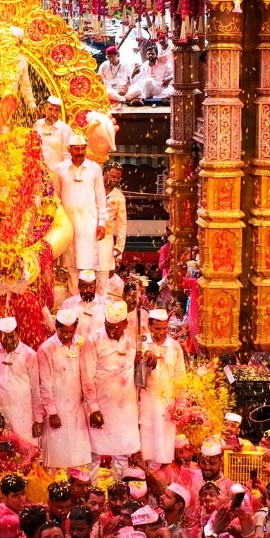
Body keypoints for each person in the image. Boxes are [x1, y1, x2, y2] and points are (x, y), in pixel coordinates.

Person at [35, 308, 100, 472]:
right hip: (57, 409)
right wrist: (51, 412)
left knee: (78, 457)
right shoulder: (46, 349)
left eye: (71, 332)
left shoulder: (81, 343)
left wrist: (92, 407)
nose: (66, 336)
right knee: (56, 458)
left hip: (78, 408)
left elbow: (87, 376)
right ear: (56, 326)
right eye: (63, 331)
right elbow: (45, 383)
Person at [86, 302, 138, 479]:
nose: (112, 332)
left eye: (116, 328)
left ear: (125, 324)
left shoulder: (132, 339)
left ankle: (120, 493)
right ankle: (90, 492)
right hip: (101, 406)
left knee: (122, 453)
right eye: (108, 327)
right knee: (93, 453)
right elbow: (86, 377)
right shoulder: (94, 341)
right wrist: (93, 408)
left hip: (125, 408)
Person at [53, 135, 107, 295]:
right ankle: (73, 304)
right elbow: (55, 196)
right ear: (69, 150)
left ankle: (89, 301)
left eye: (83, 148)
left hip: (89, 226)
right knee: (71, 267)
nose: (80, 152)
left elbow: (101, 197)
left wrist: (102, 222)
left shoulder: (95, 169)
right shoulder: (60, 168)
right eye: (76, 149)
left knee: (88, 267)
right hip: (68, 226)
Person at [138, 308, 185, 469]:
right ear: (150, 326)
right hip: (144, 401)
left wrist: (180, 404)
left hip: (166, 403)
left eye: (164, 328)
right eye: (157, 328)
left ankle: (160, 477)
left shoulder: (174, 346)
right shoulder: (141, 342)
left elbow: (180, 377)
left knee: (163, 443)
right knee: (145, 441)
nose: (162, 332)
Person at [0, 316, 40, 443]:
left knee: (26, 452)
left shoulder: (29, 354)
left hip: (24, 416)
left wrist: (38, 419)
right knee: (3, 455)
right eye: (4, 337)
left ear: (18, 333)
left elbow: (36, 388)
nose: (8, 341)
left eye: (11, 337)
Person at [96, 163, 127, 297]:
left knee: (103, 275)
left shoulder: (119, 197)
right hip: (88, 234)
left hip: (106, 239)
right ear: (105, 173)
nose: (115, 180)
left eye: (118, 178)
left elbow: (122, 225)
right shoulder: (93, 189)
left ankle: (99, 306)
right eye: (113, 176)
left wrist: (119, 250)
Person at [57, 271, 110, 339]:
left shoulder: (106, 305)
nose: (88, 290)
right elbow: (60, 330)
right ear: (79, 286)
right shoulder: (67, 304)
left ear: (95, 286)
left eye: (91, 286)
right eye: (84, 286)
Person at [34, 95, 74, 173]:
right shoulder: (38, 124)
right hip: (38, 174)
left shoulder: (65, 129)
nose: (52, 113)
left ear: (59, 112)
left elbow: (68, 156)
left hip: (56, 174)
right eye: (50, 109)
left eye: (56, 110)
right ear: (44, 109)